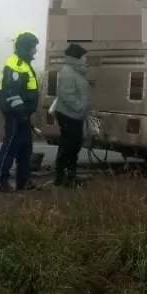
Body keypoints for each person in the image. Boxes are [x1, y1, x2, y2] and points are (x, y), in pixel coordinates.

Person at [0, 31, 40, 193]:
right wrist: (21, 114)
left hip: (23, 115)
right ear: (26, 47)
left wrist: (27, 116)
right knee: (10, 148)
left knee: (25, 149)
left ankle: (24, 182)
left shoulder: (24, 63)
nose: (35, 51)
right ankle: (2, 182)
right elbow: (11, 93)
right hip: (15, 115)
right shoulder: (15, 64)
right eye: (33, 47)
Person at [54, 43, 91, 187]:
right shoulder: (68, 71)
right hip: (68, 115)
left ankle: (70, 174)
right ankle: (61, 176)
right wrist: (80, 107)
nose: (86, 59)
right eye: (84, 56)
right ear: (77, 57)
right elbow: (66, 95)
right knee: (68, 145)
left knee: (74, 145)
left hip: (75, 115)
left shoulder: (76, 71)